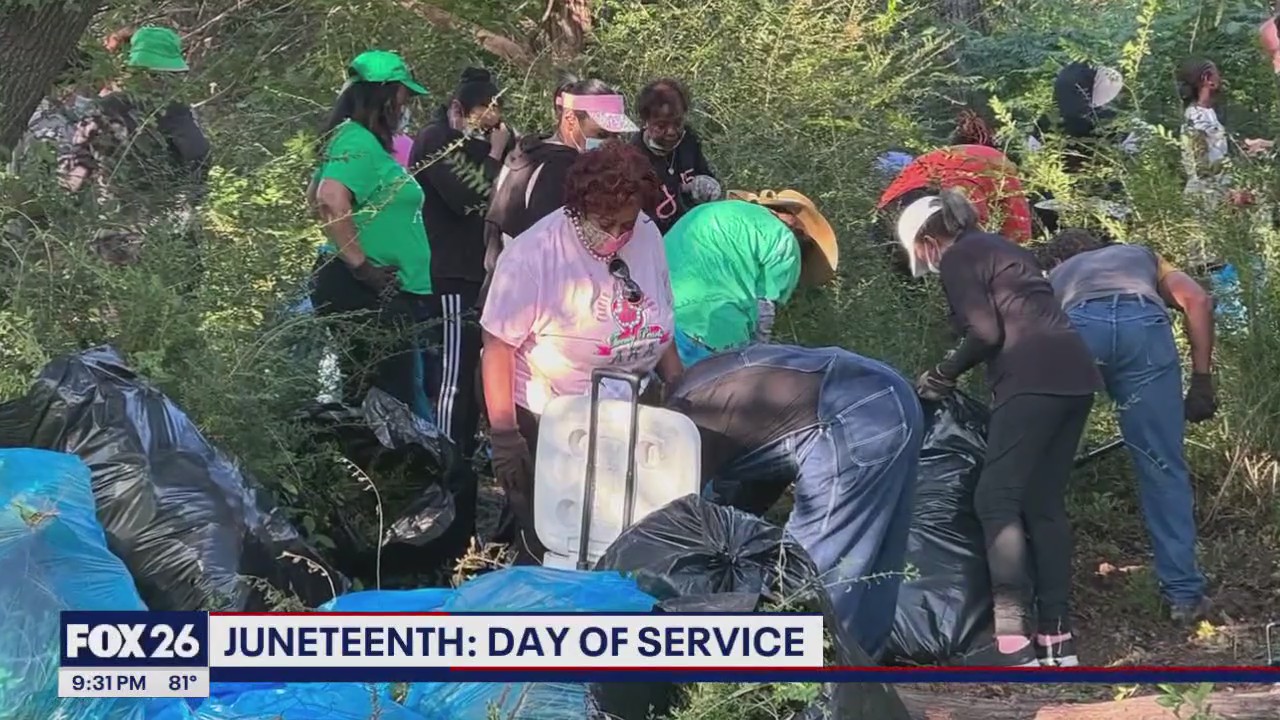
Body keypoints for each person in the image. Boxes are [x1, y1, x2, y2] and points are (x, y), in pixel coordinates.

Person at [899, 189, 1102, 667]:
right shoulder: (1002, 247)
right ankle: (1058, 639)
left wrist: (944, 373)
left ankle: (1010, 641)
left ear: (929, 239)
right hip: (1075, 376)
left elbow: (986, 332)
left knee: (995, 500)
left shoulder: (958, 257)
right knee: (1043, 505)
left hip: (1030, 380)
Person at [480, 143, 683, 563]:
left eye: (624, 225)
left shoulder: (646, 233)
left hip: (628, 408)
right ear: (578, 207)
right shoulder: (534, 254)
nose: (615, 235)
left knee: (621, 531)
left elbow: (658, 315)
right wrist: (505, 436)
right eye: (604, 223)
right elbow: (497, 346)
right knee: (560, 541)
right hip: (552, 418)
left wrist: (680, 387)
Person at [666, 344, 923, 660]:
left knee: (816, 568)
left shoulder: (685, 424)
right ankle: (860, 676)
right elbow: (746, 495)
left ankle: (798, 678)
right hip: (893, 394)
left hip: (850, 417)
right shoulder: (710, 388)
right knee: (875, 558)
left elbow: (677, 523)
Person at [1041, 229, 1216, 624]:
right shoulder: (1140, 256)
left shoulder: (1056, 276)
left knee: (1045, 464)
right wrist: (1202, 379)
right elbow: (1199, 300)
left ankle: (1041, 599)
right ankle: (1184, 596)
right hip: (1144, 325)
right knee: (1162, 465)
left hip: (1077, 328)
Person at [308, 50, 434, 420]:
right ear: (383, 95)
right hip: (368, 293)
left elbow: (314, 198)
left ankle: (369, 472)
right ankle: (395, 475)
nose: (407, 103)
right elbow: (329, 200)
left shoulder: (351, 139)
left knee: (372, 401)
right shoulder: (356, 140)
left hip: (373, 291)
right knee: (393, 404)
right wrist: (365, 268)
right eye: (403, 95)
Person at [410, 67, 513, 459]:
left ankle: (464, 452)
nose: (489, 130)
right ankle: (447, 458)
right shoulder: (436, 140)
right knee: (452, 374)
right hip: (450, 272)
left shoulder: (478, 146)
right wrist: (494, 154)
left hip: (480, 274)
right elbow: (469, 197)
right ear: (458, 109)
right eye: (482, 119)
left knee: (471, 372)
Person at [58, 25, 211, 265]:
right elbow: (198, 152)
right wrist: (193, 194)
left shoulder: (100, 109)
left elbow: (77, 165)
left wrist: (61, 207)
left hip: (114, 228)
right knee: (178, 293)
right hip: (167, 227)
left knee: (118, 295)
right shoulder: (173, 110)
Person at [481, 78, 638, 302]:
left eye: (616, 136)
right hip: (533, 299)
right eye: (601, 135)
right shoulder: (561, 168)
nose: (610, 144)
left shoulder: (526, 152)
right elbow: (557, 246)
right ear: (570, 118)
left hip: (502, 290)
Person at [664, 190, 838, 367]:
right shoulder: (785, 240)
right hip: (709, 337)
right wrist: (754, 362)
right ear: (798, 226)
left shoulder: (709, 210)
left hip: (652, 319)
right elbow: (765, 313)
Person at [878, 144, 1034, 251]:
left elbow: (1018, 233)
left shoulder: (972, 202)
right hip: (921, 182)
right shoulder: (889, 208)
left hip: (964, 172)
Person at [632, 78, 721, 234]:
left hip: (693, 234)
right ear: (646, 121)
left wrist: (706, 185)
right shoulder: (634, 156)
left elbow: (704, 174)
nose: (672, 132)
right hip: (655, 239)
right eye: (661, 126)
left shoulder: (688, 142)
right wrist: (680, 187)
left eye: (678, 123)